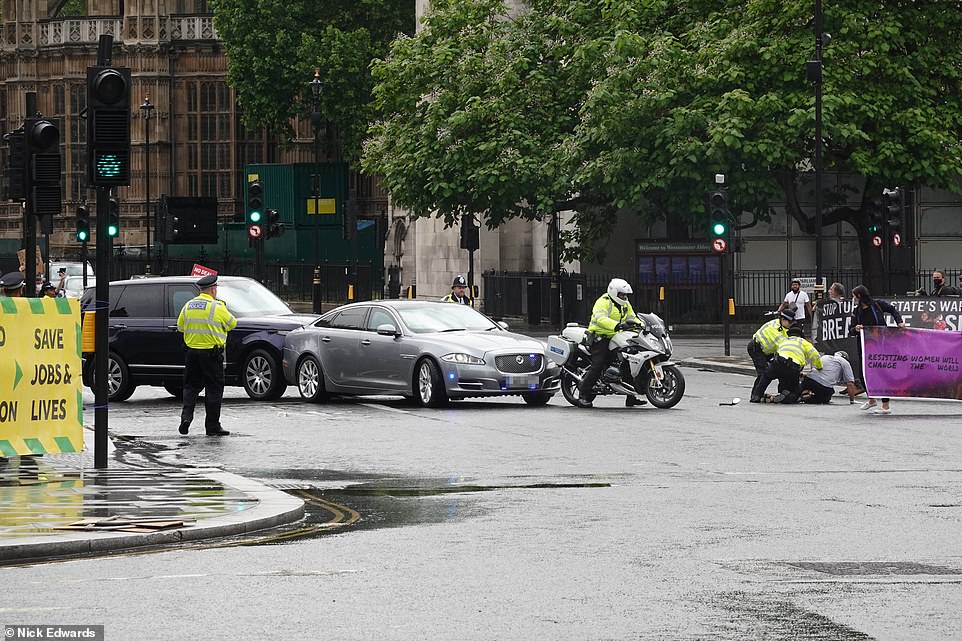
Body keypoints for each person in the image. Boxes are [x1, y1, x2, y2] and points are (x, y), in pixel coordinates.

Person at [176, 274, 237, 436]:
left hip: (191, 354)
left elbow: (180, 327)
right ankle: (212, 426)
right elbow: (232, 324)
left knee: (190, 387)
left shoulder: (188, 305)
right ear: (212, 289)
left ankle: (186, 418)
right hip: (211, 354)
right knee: (214, 389)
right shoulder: (217, 307)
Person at [575, 278, 646, 408]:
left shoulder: (625, 303)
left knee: (627, 361)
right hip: (599, 337)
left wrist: (643, 325)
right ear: (614, 293)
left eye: (625, 295)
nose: (624, 297)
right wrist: (617, 325)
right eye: (622, 294)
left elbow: (632, 317)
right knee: (598, 364)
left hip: (616, 337)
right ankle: (583, 395)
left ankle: (631, 397)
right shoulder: (603, 302)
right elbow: (600, 318)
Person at [849, 284, 905, 415]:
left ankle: (886, 406)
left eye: (854, 296)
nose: (853, 298)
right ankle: (871, 398)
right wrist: (855, 329)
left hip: (880, 344)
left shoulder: (877, 305)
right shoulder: (856, 311)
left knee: (882, 372)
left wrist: (899, 322)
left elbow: (892, 310)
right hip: (864, 346)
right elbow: (851, 330)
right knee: (863, 373)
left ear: (859, 296)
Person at [756, 324, 823, 404]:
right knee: (794, 390)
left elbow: (776, 352)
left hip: (778, 362)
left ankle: (756, 396)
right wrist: (819, 367)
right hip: (793, 367)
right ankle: (788, 398)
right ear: (800, 335)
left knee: (766, 377)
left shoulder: (783, 341)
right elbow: (816, 356)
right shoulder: (804, 342)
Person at [748, 306, 796, 402]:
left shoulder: (781, 325)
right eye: (790, 322)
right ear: (783, 319)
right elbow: (784, 347)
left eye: (793, 322)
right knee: (763, 372)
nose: (791, 324)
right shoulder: (775, 331)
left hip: (767, 350)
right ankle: (755, 396)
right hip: (756, 348)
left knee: (780, 368)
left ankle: (783, 393)